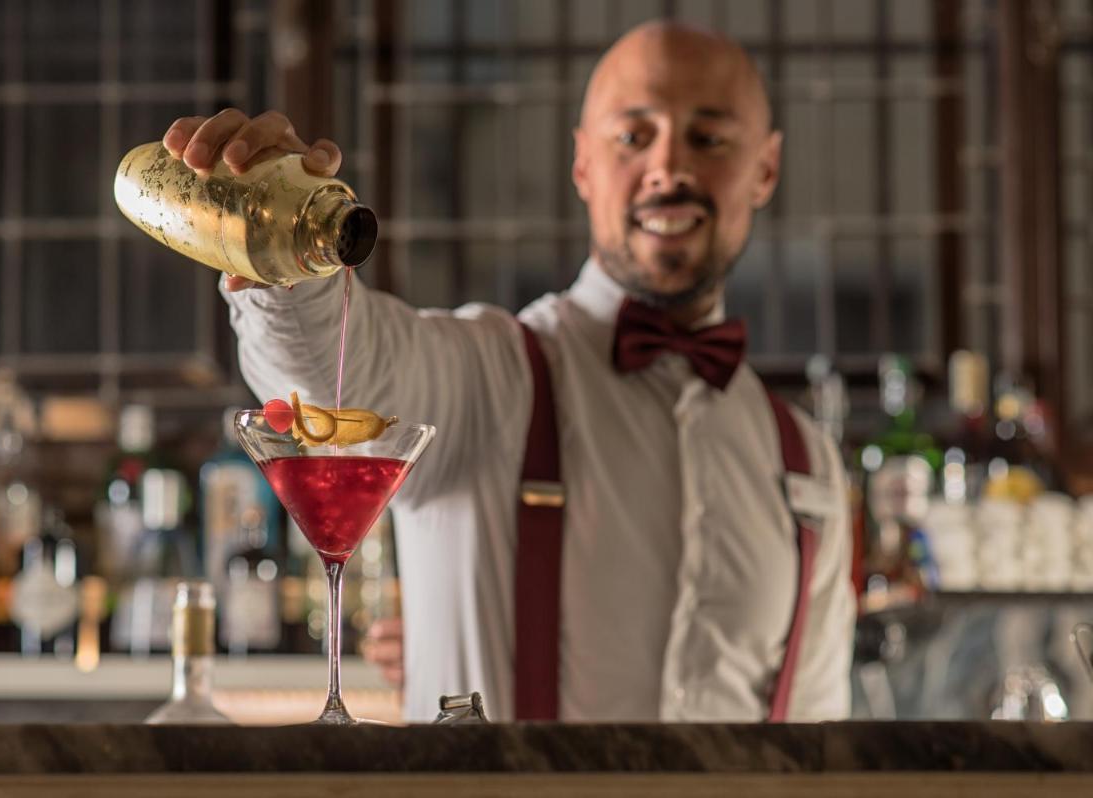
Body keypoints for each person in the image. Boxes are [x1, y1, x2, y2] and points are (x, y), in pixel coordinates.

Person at [162, 21, 855, 722]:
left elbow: (818, 744)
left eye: (708, 139)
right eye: (633, 135)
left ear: (765, 169)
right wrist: (281, 250)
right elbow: (340, 376)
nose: (669, 168)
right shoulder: (490, 378)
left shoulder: (808, 464)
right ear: (583, 164)